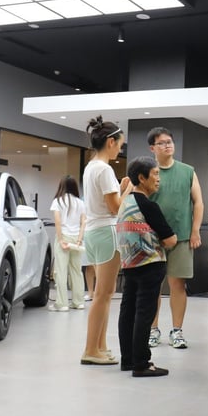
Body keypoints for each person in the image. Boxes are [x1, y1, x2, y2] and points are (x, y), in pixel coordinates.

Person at [116, 157, 178, 377]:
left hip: (129, 264)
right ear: (141, 178)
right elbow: (170, 239)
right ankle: (142, 363)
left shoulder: (126, 203)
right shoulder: (148, 205)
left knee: (128, 311)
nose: (158, 179)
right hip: (150, 264)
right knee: (144, 313)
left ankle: (128, 360)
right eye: (155, 174)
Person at [147, 126, 203, 349]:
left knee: (177, 285)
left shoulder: (188, 171)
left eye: (169, 141)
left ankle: (177, 331)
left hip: (180, 237)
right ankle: (152, 330)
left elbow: (198, 202)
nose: (167, 145)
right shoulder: (148, 170)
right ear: (152, 148)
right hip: (151, 239)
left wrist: (195, 230)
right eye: (162, 142)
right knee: (152, 286)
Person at [80, 116, 129, 366]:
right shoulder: (105, 169)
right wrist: (126, 190)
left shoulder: (91, 167)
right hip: (107, 233)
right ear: (110, 142)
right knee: (104, 295)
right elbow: (115, 209)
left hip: (93, 232)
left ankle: (100, 346)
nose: (120, 149)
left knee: (104, 294)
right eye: (120, 144)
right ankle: (91, 349)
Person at [49, 175, 86, 311]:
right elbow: (83, 222)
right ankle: (78, 302)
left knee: (61, 271)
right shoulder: (80, 202)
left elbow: (58, 222)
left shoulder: (58, 201)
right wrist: (79, 239)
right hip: (76, 238)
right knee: (77, 271)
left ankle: (62, 304)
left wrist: (60, 240)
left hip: (63, 237)